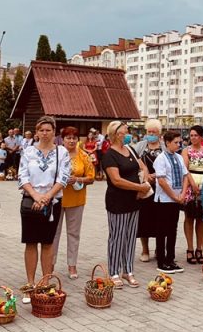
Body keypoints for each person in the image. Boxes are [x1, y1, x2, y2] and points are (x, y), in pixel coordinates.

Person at [18, 116, 71, 302]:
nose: (45, 133)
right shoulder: (28, 151)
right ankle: (30, 284)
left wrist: (47, 197)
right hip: (30, 201)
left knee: (48, 243)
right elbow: (22, 176)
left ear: (54, 132)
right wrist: (36, 196)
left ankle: (45, 282)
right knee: (31, 242)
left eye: (48, 130)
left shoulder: (62, 152)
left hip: (53, 202)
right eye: (41, 130)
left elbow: (63, 178)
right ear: (36, 131)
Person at [102, 121, 150, 287]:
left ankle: (128, 270)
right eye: (125, 132)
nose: (128, 134)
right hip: (118, 201)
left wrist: (145, 181)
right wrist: (139, 187)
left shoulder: (130, 149)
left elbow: (142, 166)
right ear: (116, 134)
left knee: (130, 237)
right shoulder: (109, 155)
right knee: (117, 237)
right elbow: (116, 180)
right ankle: (114, 271)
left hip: (134, 200)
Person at [52, 127, 95, 280]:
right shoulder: (56, 154)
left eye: (74, 138)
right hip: (56, 199)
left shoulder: (84, 156)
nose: (71, 141)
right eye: (68, 138)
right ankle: (50, 264)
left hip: (76, 199)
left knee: (73, 234)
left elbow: (91, 177)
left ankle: (72, 265)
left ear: (78, 140)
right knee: (54, 233)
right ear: (62, 140)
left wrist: (78, 179)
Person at [153, 130, 189, 274]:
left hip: (177, 198)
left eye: (179, 142)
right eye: (176, 142)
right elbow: (161, 180)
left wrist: (183, 193)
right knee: (162, 231)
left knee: (172, 230)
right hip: (164, 200)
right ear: (167, 143)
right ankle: (161, 261)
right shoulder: (160, 158)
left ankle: (171, 259)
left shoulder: (179, 158)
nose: (178, 144)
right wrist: (174, 196)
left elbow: (186, 176)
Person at [134, 119, 163, 262]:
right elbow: (134, 164)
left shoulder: (164, 147)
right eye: (148, 132)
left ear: (159, 133)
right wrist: (146, 176)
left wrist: (157, 176)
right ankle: (145, 249)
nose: (150, 134)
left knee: (160, 219)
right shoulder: (139, 146)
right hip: (145, 187)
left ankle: (159, 248)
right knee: (144, 219)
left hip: (161, 187)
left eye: (154, 132)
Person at [181, 125, 203, 265]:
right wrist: (192, 184)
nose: (193, 138)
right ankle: (190, 248)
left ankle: (199, 248)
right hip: (190, 185)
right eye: (191, 135)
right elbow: (185, 169)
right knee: (189, 217)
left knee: (201, 219)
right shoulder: (186, 151)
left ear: (201, 137)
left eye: (196, 135)